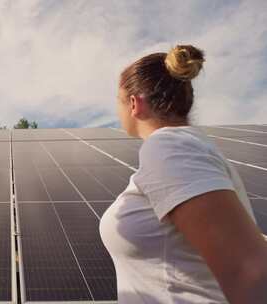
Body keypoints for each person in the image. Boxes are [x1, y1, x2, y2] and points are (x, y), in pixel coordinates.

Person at [100, 45, 267, 303]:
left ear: (134, 103)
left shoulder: (169, 147)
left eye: (118, 100)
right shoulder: (182, 148)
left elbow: (248, 271)